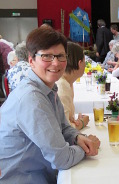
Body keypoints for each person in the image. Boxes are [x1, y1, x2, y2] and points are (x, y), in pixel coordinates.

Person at [0, 27, 100, 183]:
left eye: (60, 56)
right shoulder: (31, 99)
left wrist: (77, 137)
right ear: (31, 60)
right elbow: (62, 158)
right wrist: (86, 147)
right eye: (46, 56)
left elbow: (63, 127)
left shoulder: (49, 88)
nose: (55, 63)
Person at [56, 42, 90, 130]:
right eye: (84, 61)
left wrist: (72, 120)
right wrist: (82, 123)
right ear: (80, 63)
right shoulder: (62, 87)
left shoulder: (67, 83)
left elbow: (66, 119)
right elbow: (64, 130)